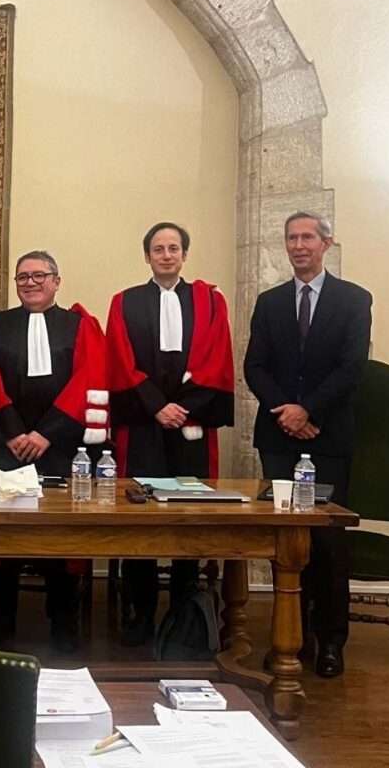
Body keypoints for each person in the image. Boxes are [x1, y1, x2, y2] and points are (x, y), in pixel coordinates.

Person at [245, 211, 372, 679]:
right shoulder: (269, 302)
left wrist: (309, 410)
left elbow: (352, 366)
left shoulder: (354, 299)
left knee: (328, 543)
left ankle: (331, 640)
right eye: (291, 238)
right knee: (287, 542)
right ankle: (292, 637)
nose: (298, 245)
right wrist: (288, 412)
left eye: (307, 237)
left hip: (329, 436)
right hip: (279, 438)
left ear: (325, 243)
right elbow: (255, 367)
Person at [0, 250, 107, 652]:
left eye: (39, 275)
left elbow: (89, 379)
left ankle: (64, 625)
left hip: (62, 447)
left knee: (61, 538)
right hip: (7, 446)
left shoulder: (80, 326)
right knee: (3, 537)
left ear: (56, 281)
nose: (30, 283)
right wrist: (13, 434)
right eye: (22, 277)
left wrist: (46, 434)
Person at [106, 222, 234, 646]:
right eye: (158, 249)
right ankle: (140, 613)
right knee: (138, 517)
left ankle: (184, 614)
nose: (166, 255)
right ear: (147, 256)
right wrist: (156, 406)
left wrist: (184, 407)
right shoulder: (124, 302)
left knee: (189, 514)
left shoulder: (210, 302)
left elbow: (217, 357)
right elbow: (120, 359)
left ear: (184, 254)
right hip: (144, 423)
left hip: (190, 423)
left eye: (173, 248)